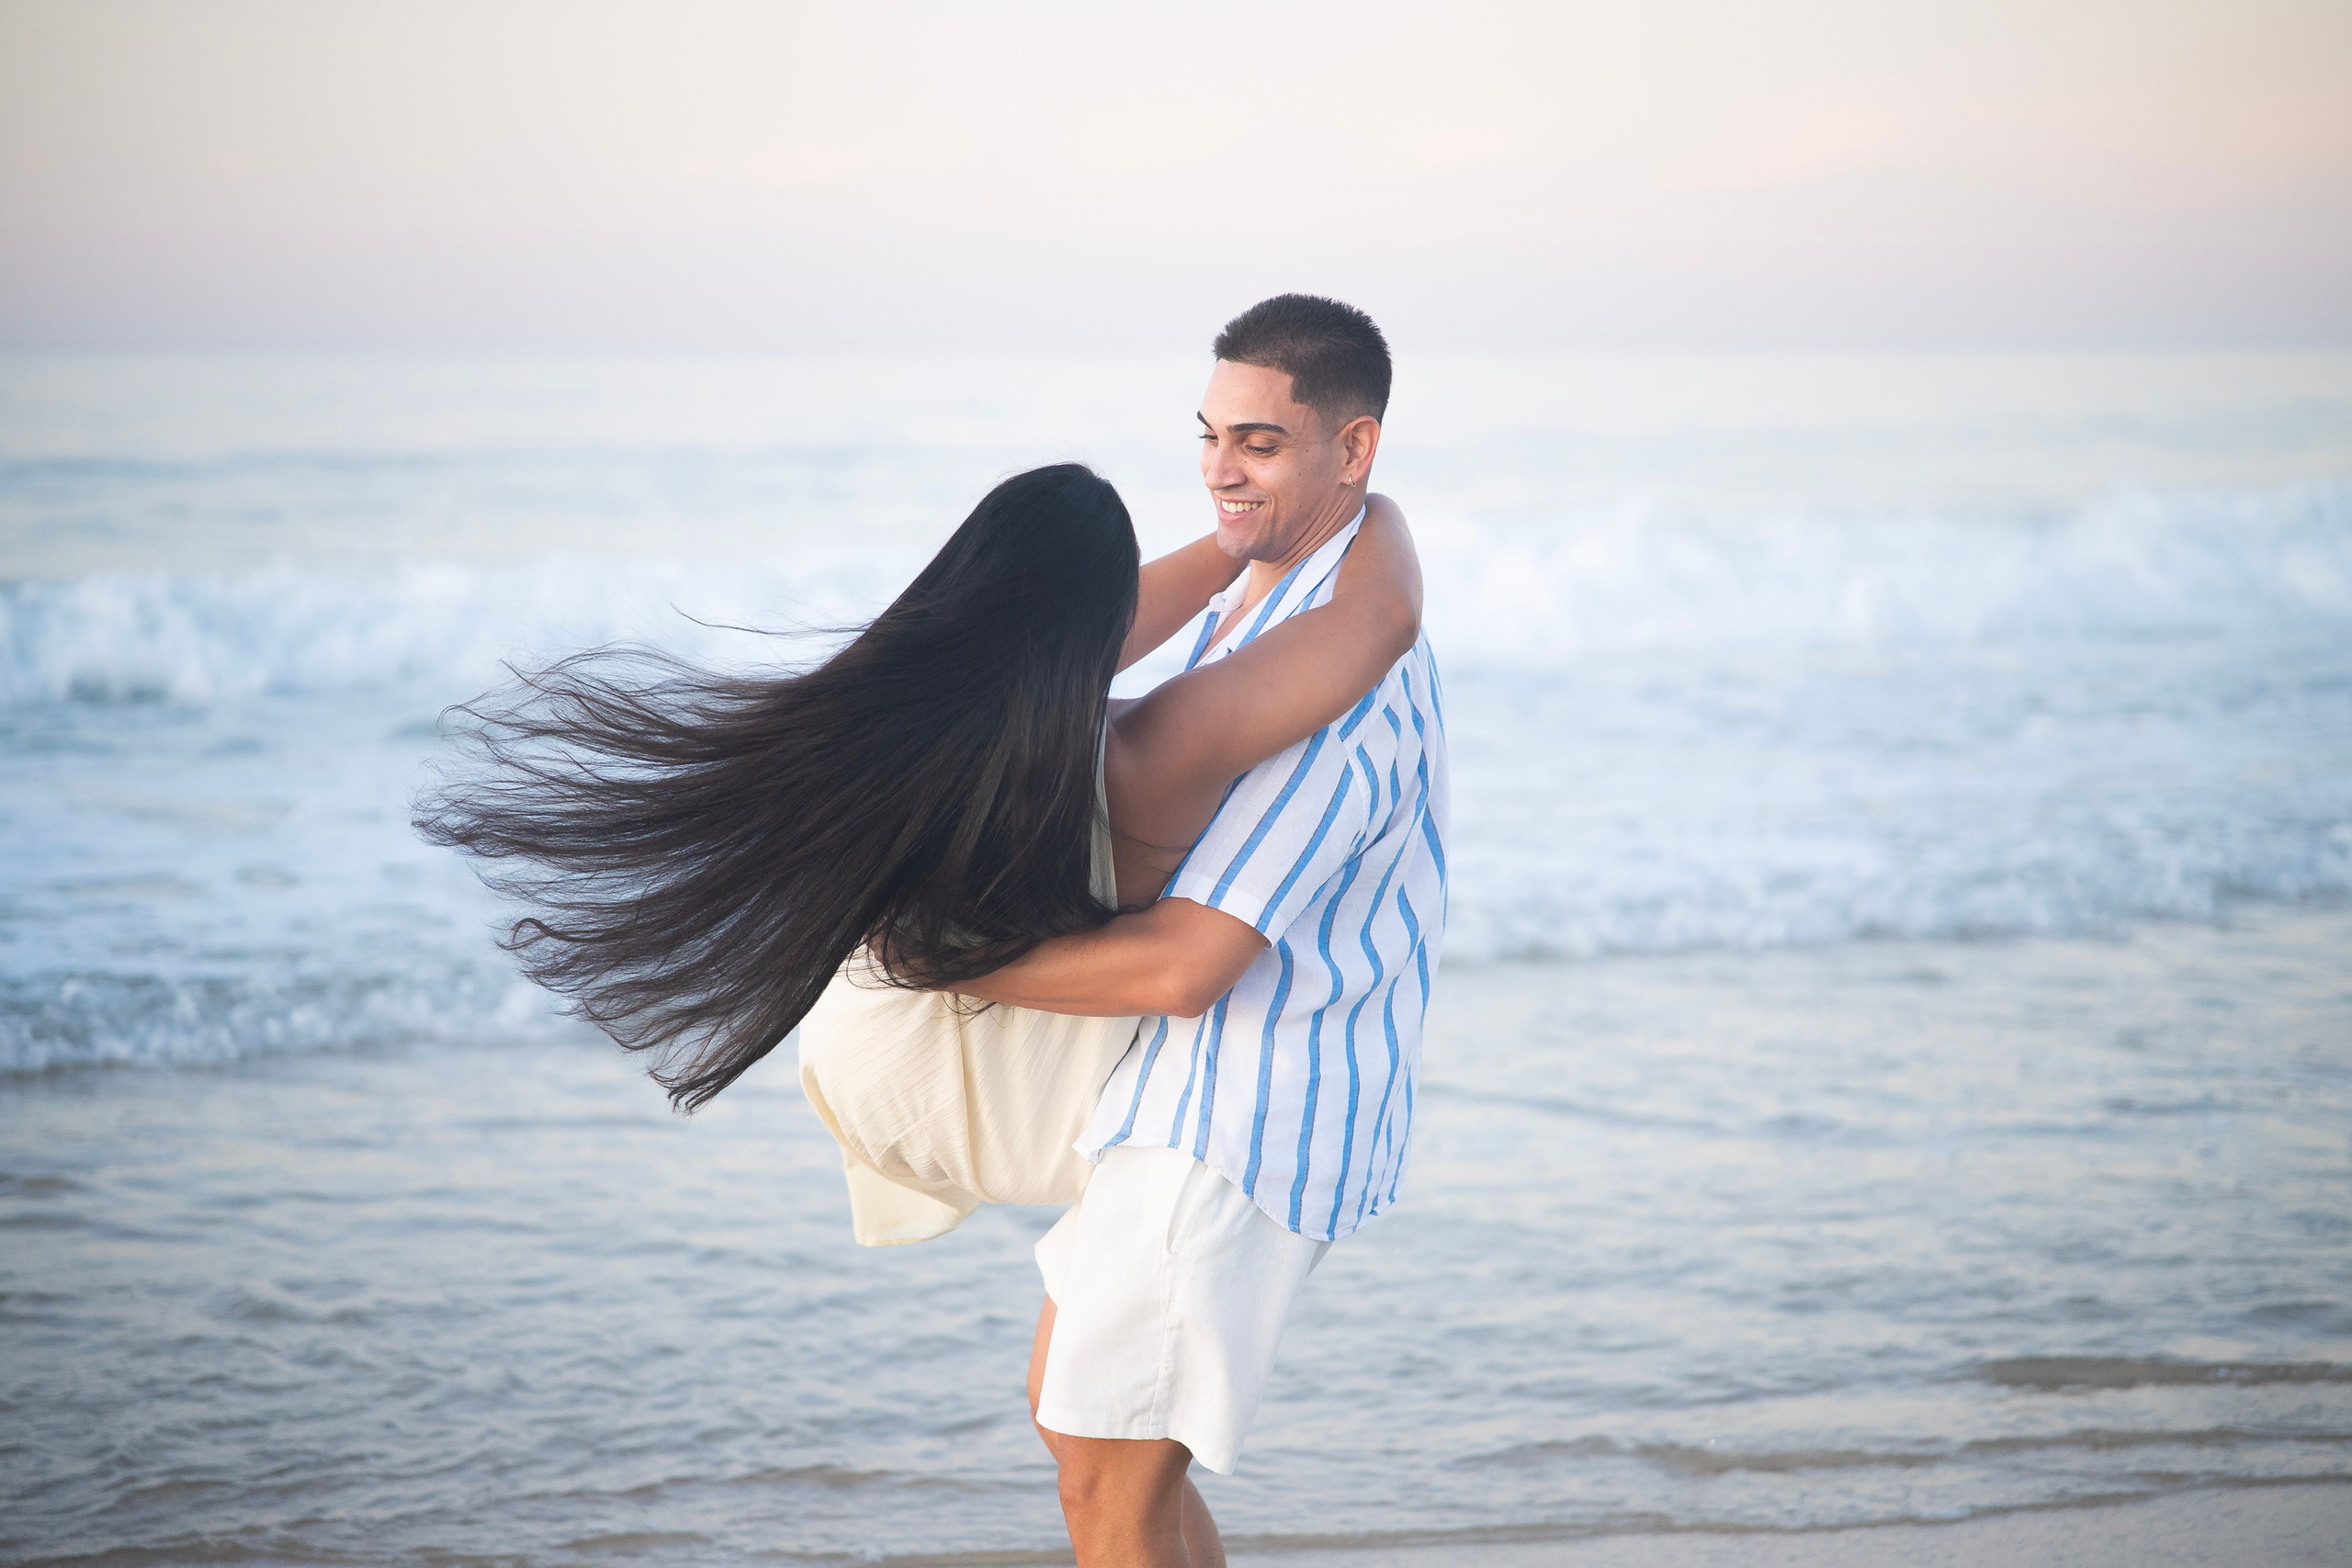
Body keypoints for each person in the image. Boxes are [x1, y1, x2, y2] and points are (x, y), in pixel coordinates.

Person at [953, 294, 1448, 1567]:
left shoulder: (1332, 684)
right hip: (1184, 1102)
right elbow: (1064, 660)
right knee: (1085, 1443)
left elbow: (1189, 967)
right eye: (1211, 436)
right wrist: (1246, 541)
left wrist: (964, 969)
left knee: (1109, 1484)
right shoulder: (1284, 596)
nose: (1224, 467)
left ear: (1356, 448)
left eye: (1263, 445)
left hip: (1240, 1119)